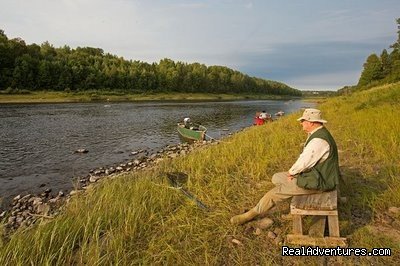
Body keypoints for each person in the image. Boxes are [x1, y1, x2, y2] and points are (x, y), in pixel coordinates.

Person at [231, 108, 340, 225]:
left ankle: (251, 214)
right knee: (276, 177)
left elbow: (304, 162)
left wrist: (292, 174)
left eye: (303, 121)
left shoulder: (318, 140)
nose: (301, 123)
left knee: (273, 194)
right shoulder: (318, 133)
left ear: (311, 122)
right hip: (315, 176)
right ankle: (291, 191)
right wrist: (293, 175)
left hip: (320, 183)